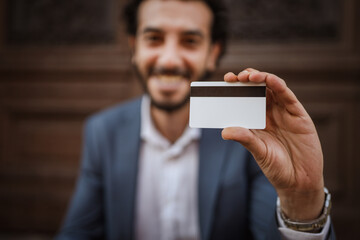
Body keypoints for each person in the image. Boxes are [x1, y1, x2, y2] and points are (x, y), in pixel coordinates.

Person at [57, 0, 335, 239]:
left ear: (212, 53)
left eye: (190, 41)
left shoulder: (253, 136)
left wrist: (302, 201)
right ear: (134, 49)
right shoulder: (102, 132)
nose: (169, 59)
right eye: (153, 38)